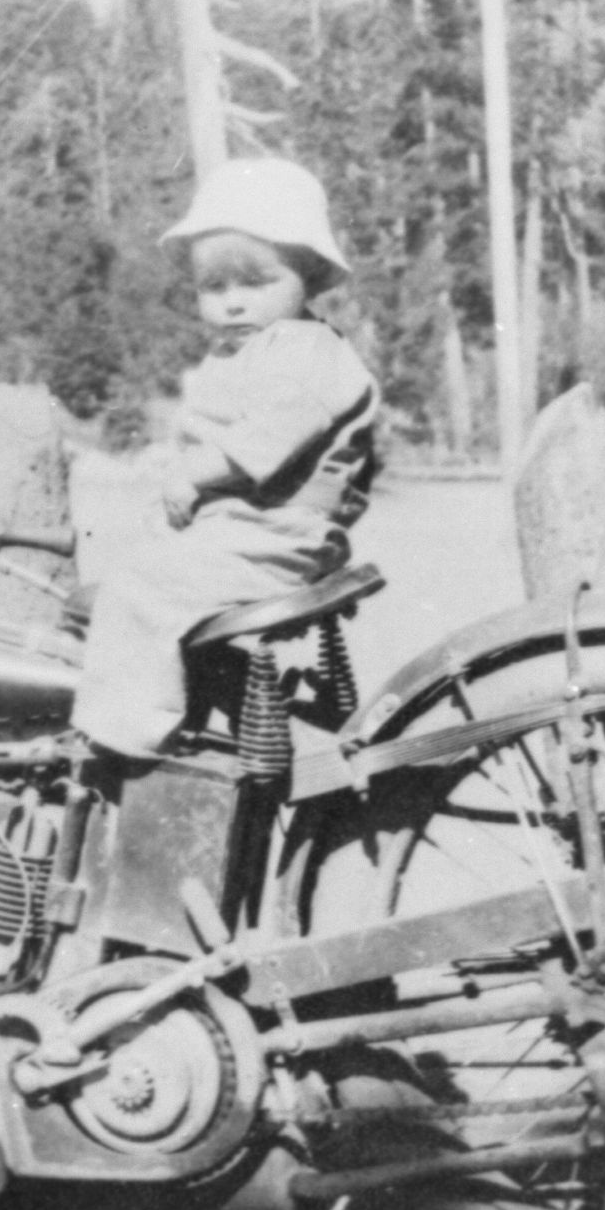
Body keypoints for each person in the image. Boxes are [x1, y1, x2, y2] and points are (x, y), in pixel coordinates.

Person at [73, 155, 379, 761]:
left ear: (310, 275)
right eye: (215, 288)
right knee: (116, 580)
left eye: (256, 283)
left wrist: (194, 474)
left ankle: (125, 742)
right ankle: (175, 700)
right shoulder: (253, 350)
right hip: (242, 529)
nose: (233, 303)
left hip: (280, 535)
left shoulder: (309, 352)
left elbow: (268, 437)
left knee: (142, 588)